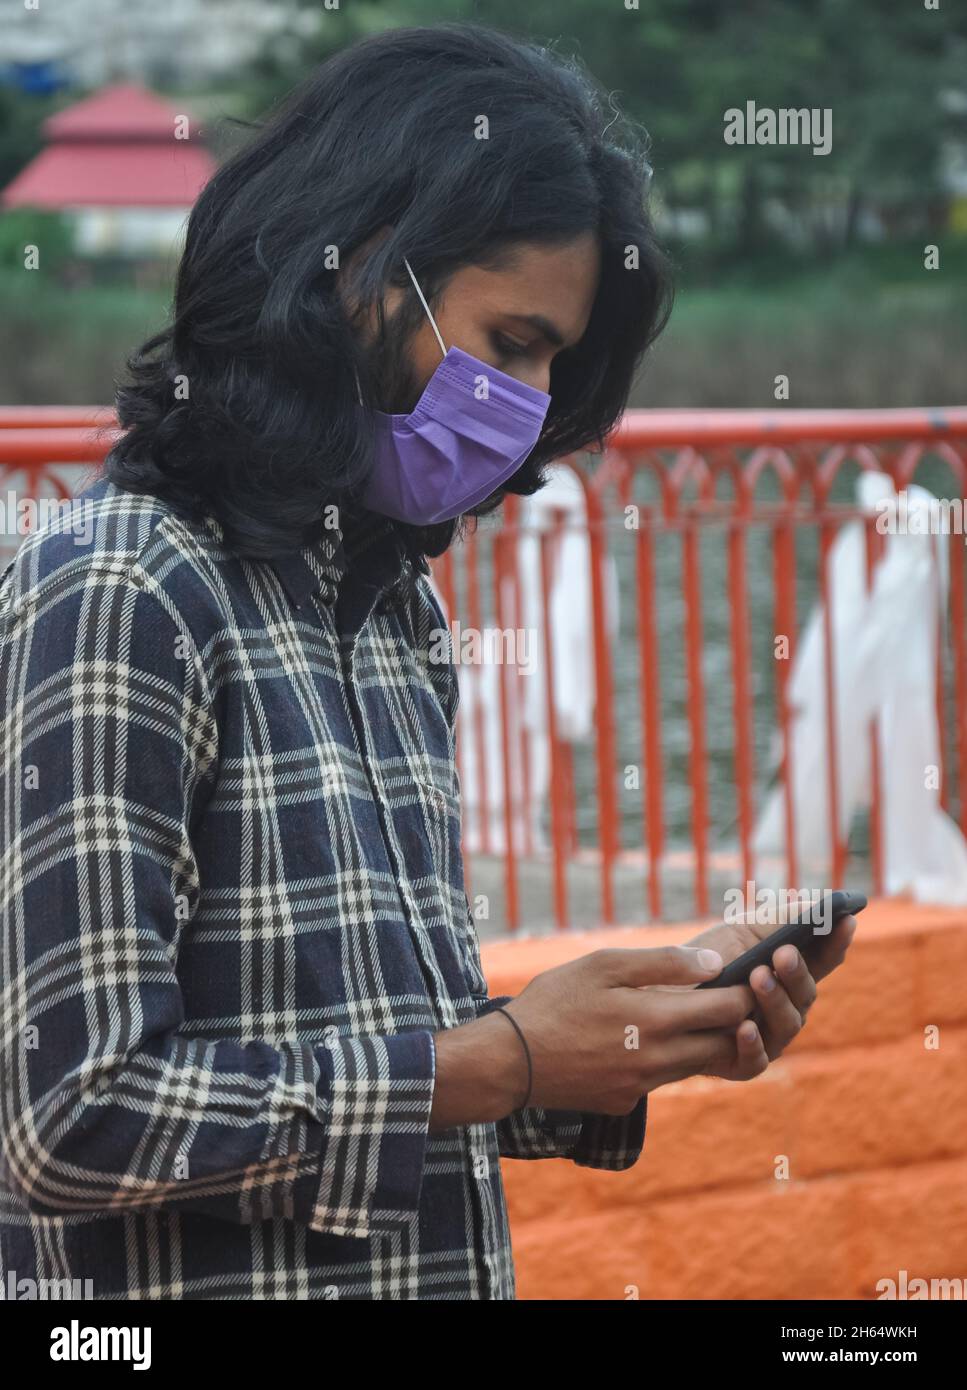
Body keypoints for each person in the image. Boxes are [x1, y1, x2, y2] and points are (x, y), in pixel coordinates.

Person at [0, 23, 856, 1302]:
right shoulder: (124, 594)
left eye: (554, 367)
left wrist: (626, 1035)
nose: (523, 410)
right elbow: (67, 1116)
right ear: (347, 276)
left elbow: (406, 1066)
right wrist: (504, 1058)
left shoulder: (393, 621)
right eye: (510, 343)